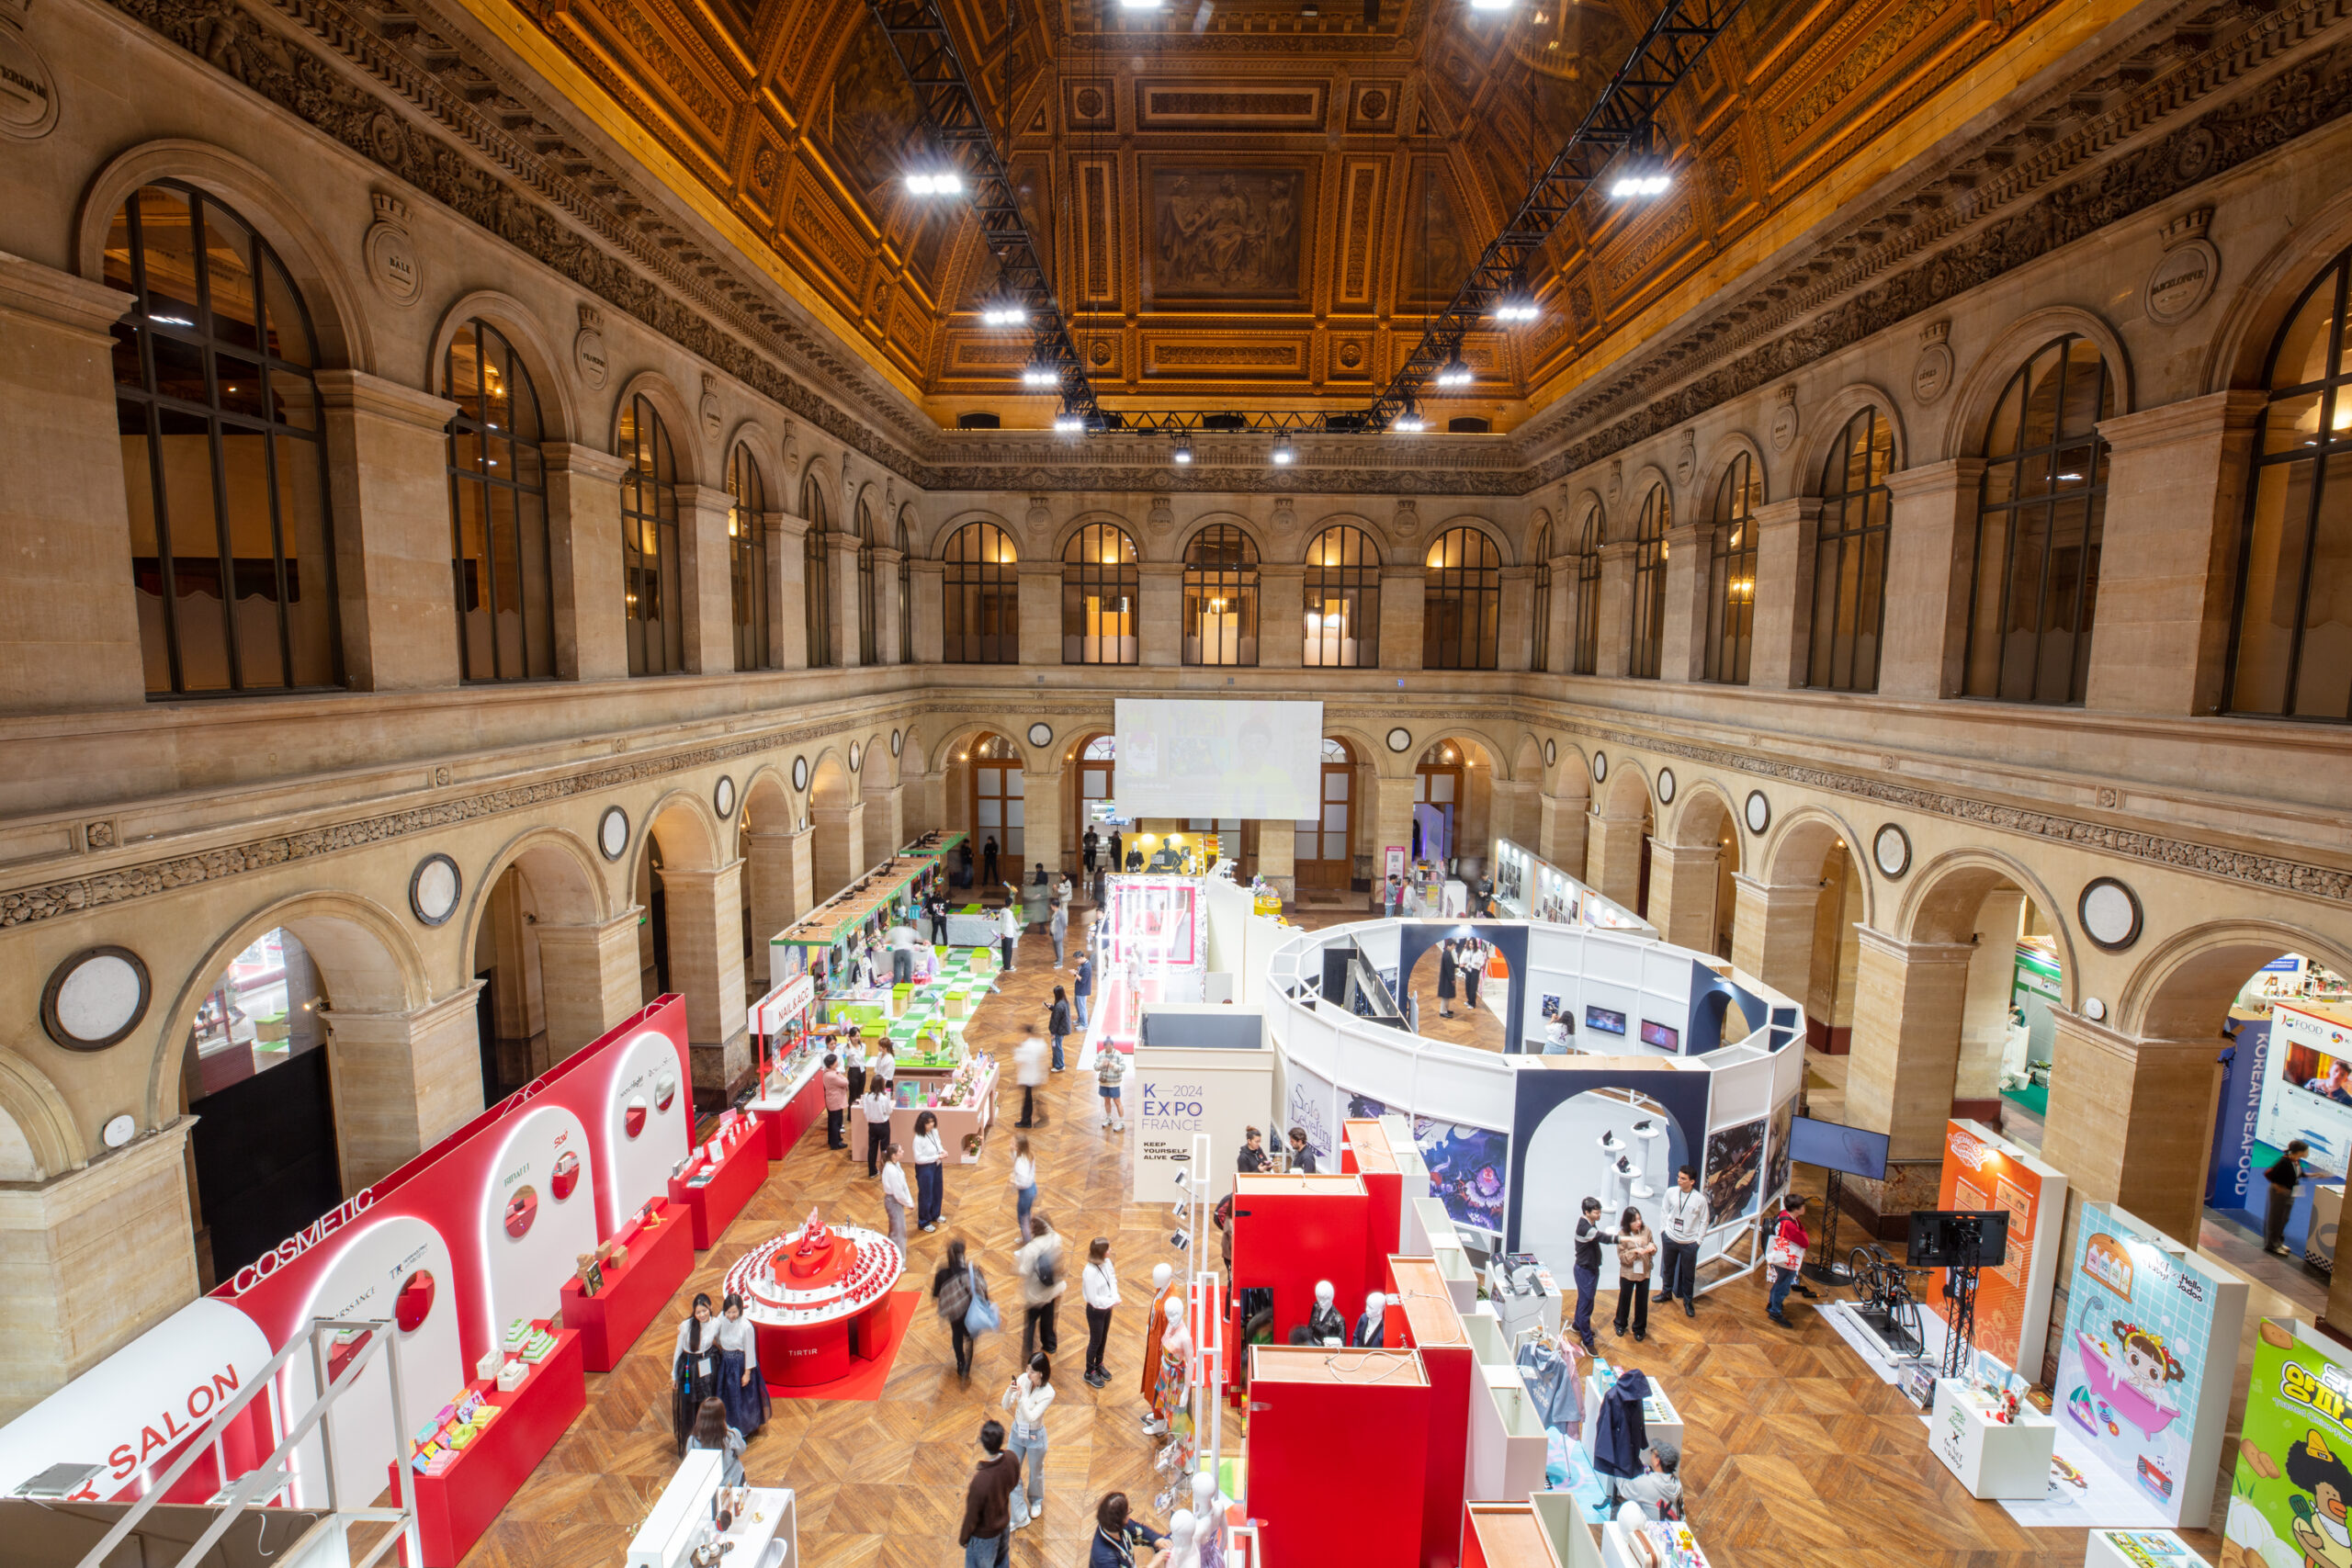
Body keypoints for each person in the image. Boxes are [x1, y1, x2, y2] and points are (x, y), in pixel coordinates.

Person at [1001, 1350, 1056, 1529]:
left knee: (1035, 1472)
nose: (1027, 1373)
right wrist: (1010, 1392)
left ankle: (1036, 1500)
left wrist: (1022, 1397)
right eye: (1027, 1369)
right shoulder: (1024, 1379)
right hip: (1017, 1433)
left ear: (1041, 1372)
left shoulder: (1048, 1392)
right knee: (1010, 1471)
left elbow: (1032, 1417)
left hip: (1034, 1437)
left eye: (1032, 1371)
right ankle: (1019, 1515)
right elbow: (1005, 1405)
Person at [959, 1418, 1020, 1567]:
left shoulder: (980, 1481)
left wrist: (963, 1538)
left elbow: (972, 1515)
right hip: (1003, 1525)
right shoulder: (1011, 1458)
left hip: (984, 1538)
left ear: (983, 1443)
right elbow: (1014, 1482)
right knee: (1002, 1561)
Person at [713, 1292, 769, 1438]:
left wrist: (747, 1373)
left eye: (734, 1312)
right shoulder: (721, 1318)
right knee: (727, 1396)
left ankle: (743, 1428)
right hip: (726, 1362)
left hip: (740, 1364)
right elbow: (716, 1336)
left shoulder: (746, 1326)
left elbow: (750, 1351)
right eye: (728, 1312)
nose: (730, 1315)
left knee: (742, 1399)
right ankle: (727, 1425)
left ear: (740, 1311)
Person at [935, 1236, 991, 1382]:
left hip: (953, 1313)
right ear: (963, 1254)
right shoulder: (970, 1272)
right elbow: (981, 1290)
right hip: (968, 1311)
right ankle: (968, 1361)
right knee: (970, 1336)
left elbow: (936, 1294)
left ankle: (960, 1362)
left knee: (956, 1335)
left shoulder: (942, 1273)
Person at [672, 1293, 722, 1448]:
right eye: (698, 1312)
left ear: (710, 1307)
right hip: (690, 1367)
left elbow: (720, 1339)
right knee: (690, 1402)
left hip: (708, 1362)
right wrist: (673, 1375)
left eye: (704, 1310)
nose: (702, 1315)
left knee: (707, 1399)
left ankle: (709, 1435)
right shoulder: (686, 1326)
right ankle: (692, 1438)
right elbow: (678, 1350)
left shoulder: (716, 1323)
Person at [1657, 1164, 1707, 1318]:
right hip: (1670, 1238)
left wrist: (1698, 1241)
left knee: (1688, 1274)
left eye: (1683, 1178)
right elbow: (1664, 1211)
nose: (1679, 1180)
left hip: (1689, 1243)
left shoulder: (1700, 1200)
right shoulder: (1671, 1193)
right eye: (1678, 1177)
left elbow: (1704, 1221)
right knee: (1668, 1268)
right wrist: (1663, 1231)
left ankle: (1687, 1301)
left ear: (1692, 1181)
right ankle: (1666, 1292)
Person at [1016, 1211, 1066, 1360]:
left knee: (1031, 1322)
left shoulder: (1031, 1248)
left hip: (1035, 1293)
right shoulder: (1055, 1238)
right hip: (1052, 1290)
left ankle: (1028, 1352)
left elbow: (1023, 1270)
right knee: (1048, 1318)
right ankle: (1050, 1344)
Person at [1572, 1197, 1619, 1353]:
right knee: (1586, 1305)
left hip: (1589, 1269)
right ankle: (1587, 1341)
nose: (1599, 1215)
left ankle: (1577, 1325)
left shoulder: (1589, 1222)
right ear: (1587, 1212)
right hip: (1585, 1271)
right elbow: (1605, 1238)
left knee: (1585, 1300)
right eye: (1596, 1212)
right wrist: (1624, 1239)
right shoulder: (1586, 1228)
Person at [1613, 1205, 1657, 1342]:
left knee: (1642, 1301)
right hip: (1628, 1272)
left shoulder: (1646, 1230)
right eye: (1634, 1220)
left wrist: (1652, 1248)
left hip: (1644, 1272)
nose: (1638, 1222)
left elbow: (1653, 1246)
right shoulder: (1623, 1235)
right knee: (1624, 1299)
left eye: (1639, 1219)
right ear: (1627, 1222)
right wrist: (1634, 1252)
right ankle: (1620, 1323)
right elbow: (1622, 1257)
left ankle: (1639, 1328)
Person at [1081, 1236, 1121, 1389]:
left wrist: (1115, 1296)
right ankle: (1089, 1371)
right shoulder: (1089, 1272)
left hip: (1107, 1308)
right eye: (1108, 1249)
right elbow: (1092, 1298)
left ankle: (1099, 1364)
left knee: (1103, 1338)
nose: (1110, 1251)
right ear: (1101, 1252)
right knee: (1095, 1341)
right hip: (1095, 1311)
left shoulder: (1107, 1262)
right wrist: (1111, 1301)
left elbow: (1112, 1279)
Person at [1766, 1193, 1811, 1327]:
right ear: (1796, 1209)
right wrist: (1803, 1234)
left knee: (1780, 1282)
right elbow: (1805, 1241)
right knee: (1783, 1285)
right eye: (1802, 1206)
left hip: (1782, 1256)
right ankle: (1775, 1311)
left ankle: (1772, 1304)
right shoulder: (1790, 1224)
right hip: (1786, 1259)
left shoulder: (1784, 1214)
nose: (1804, 1208)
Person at [1090, 1492, 1169, 1568]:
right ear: (1120, 1521)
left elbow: (1138, 1530)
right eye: (1128, 1513)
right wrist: (1153, 1564)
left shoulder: (1113, 1524)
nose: (1129, 1517)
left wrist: (1158, 1540)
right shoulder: (1104, 1559)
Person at [685, 1396, 747, 1487]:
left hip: (709, 1486)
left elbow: (692, 1465)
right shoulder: (732, 1435)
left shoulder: (693, 1441)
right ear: (722, 1417)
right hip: (735, 1482)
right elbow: (742, 1450)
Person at [1615, 1441, 1684, 1521]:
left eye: (1652, 1452)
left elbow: (1624, 1488)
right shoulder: (1678, 1484)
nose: (1651, 1454)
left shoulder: (1646, 1483)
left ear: (1657, 1461)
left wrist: (1616, 1465)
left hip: (1654, 1530)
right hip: (1677, 1529)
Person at [2267, 1140, 2312, 1256]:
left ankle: (2279, 1242)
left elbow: (2298, 1174)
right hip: (2280, 1194)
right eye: (2307, 1151)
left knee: (2284, 1218)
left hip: (2291, 1192)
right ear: (2300, 1151)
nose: (2308, 1153)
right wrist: (2278, 1188)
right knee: (2276, 1219)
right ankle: (2272, 1245)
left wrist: (2315, 1175)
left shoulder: (2296, 1162)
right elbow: (2270, 1174)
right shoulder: (2284, 1162)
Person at [913, 1110, 947, 1232]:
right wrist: (936, 1157)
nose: (931, 1125)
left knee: (938, 1190)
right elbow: (918, 1159)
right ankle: (924, 1221)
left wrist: (942, 1151)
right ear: (922, 1124)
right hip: (925, 1168)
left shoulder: (934, 1131)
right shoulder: (918, 1138)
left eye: (932, 1122)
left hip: (937, 1164)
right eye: (928, 1123)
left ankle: (935, 1214)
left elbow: (938, 1143)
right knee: (926, 1195)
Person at [880, 1139, 912, 1251]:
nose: (903, 1151)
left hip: (896, 1201)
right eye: (900, 1151)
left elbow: (903, 1185)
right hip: (893, 1202)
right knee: (898, 1233)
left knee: (898, 1231)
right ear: (894, 1156)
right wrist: (908, 1203)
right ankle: (898, 1261)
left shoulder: (896, 1165)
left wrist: (908, 1200)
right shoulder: (891, 1170)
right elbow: (898, 1192)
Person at [859, 1077, 895, 1179]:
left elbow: (865, 1111)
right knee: (884, 1149)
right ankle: (885, 1172)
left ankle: (872, 1171)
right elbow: (889, 1111)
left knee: (872, 1148)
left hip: (872, 1125)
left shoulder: (867, 1096)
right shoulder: (883, 1098)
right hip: (883, 1125)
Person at [1013, 1032, 1048, 1129]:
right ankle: (1029, 1120)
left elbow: (1020, 1060)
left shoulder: (1027, 1046)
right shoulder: (1040, 1043)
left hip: (1030, 1079)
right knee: (1032, 1099)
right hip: (1035, 1078)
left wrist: (1017, 1048)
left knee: (1029, 1100)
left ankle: (1028, 1120)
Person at [1010, 1134, 1037, 1240]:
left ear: (1018, 1147)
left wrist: (1014, 1182)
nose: (1010, 1145)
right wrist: (1011, 1149)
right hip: (1032, 1188)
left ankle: (1027, 1243)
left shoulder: (1020, 1162)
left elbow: (1024, 1181)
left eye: (1013, 1144)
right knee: (1027, 1215)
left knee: (1023, 1218)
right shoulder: (1028, 1155)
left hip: (1026, 1192)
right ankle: (1027, 1236)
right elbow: (1014, 1156)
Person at [820, 1052, 849, 1150]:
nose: (837, 1063)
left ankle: (834, 1140)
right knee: (836, 1122)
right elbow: (845, 1082)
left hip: (833, 1100)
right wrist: (840, 1074)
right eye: (836, 1061)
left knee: (833, 1121)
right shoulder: (832, 1075)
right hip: (835, 1101)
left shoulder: (827, 1073)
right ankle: (835, 1143)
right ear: (831, 1064)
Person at [1096, 1040, 1126, 1131]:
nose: (1108, 1047)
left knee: (1117, 1102)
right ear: (1104, 1046)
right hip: (1104, 1082)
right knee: (1106, 1100)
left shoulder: (1118, 1054)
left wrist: (1112, 1065)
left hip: (1115, 1083)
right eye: (1106, 1046)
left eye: (1110, 1046)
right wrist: (1102, 1064)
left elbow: (1123, 1068)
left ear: (1113, 1045)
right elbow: (1095, 1067)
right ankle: (1109, 1118)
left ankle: (1121, 1122)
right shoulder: (1101, 1054)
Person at [1048, 985, 1073, 1073]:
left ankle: (1059, 1065)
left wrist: (1052, 1032)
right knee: (1057, 1047)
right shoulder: (1064, 1002)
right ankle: (1057, 1063)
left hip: (1058, 1030)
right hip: (1062, 1028)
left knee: (1057, 1048)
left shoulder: (1059, 1005)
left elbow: (1055, 1021)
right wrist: (1051, 1007)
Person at [888, 918, 919, 985]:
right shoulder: (909, 930)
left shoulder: (894, 930)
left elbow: (886, 938)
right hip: (907, 950)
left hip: (897, 951)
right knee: (908, 967)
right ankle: (907, 982)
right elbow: (918, 938)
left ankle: (896, 983)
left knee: (897, 968)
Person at [1436, 939, 1458, 1018]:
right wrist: (1452, 979)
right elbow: (1449, 968)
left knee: (1447, 996)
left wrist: (1457, 966)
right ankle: (1443, 1012)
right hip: (1447, 980)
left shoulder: (1446, 953)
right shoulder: (1448, 955)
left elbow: (1450, 965)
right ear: (1452, 945)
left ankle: (1445, 1009)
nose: (1454, 947)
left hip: (1446, 978)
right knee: (1445, 996)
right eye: (1454, 946)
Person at [1073, 949, 1094, 1029]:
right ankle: (1080, 1019)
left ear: (1081, 958)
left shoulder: (1086, 967)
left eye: (1077, 959)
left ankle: (1084, 1024)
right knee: (1077, 1004)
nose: (1076, 961)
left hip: (1082, 990)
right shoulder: (1083, 964)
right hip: (1079, 989)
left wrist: (1075, 973)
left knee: (1082, 1007)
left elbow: (1082, 980)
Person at [999, 901, 1020, 972]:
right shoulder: (1009, 913)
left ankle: (1005, 965)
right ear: (1011, 904)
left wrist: (1001, 932)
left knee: (1004, 950)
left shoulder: (1002, 910)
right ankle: (1007, 967)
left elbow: (1001, 922)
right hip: (1008, 934)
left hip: (1003, 933)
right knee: (1008, 950)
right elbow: (1008, 923)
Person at [1050, 897, 1070, 967]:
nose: (1051, 906)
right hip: (1054, 933)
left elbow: (1064, 924)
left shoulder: (1060, 914)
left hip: (1058, 934)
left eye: (1051, 905)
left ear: (1054, 906)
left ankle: (1060, 963)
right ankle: (1058, 959)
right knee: (1055, 947)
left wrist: (1062, 931)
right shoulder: (1055, 913)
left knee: (1059, 948)